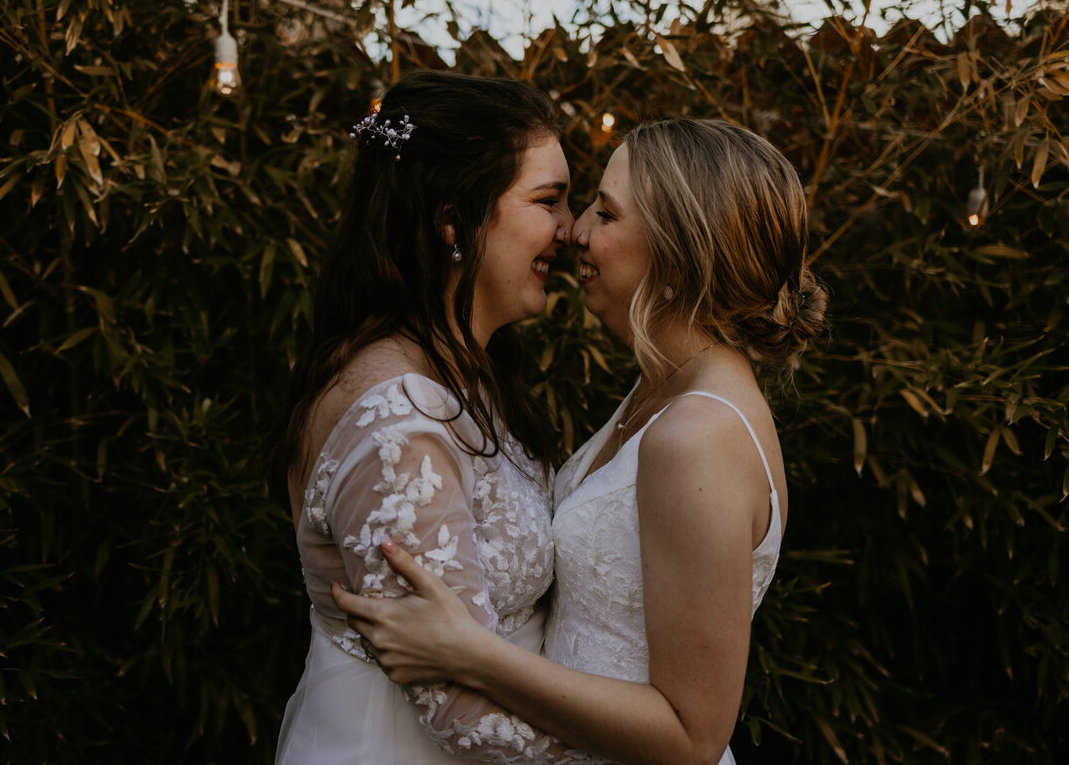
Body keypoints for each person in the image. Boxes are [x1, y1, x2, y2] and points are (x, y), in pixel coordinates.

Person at [334, 118, 829, 765]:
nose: (579, 231)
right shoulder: (662, 392)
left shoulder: (697, 436)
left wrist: (469, 653)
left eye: (607, 212)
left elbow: (692, 737)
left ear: (679, 251)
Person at [275, 70, 590, 764]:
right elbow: (460, 709)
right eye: (548, 201)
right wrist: (644, 744)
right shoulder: (398, 417)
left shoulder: (465, 375)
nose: (570, 230)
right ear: (453, 219)